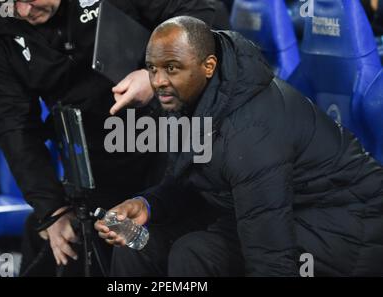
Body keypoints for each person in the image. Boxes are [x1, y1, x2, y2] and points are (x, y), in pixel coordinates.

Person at [95, 16, 383, 277]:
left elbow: (271, 257)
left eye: (171, 68)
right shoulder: (189, 100)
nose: (158, 82)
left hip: (348, 228)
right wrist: (148, 205)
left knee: (196, 252)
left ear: (208, 66)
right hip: (273, 211)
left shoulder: (251, 130)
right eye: (152, 69)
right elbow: (193, 179)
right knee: (138, 245)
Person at [0, 0, 226, 276]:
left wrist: (157, 74)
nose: (23, 11)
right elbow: (15, 126)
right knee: (52, 243)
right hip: (95, 170)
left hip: (171, 155)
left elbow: (203, 16)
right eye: (9, 3)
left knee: (144, 251)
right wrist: (52, 211)